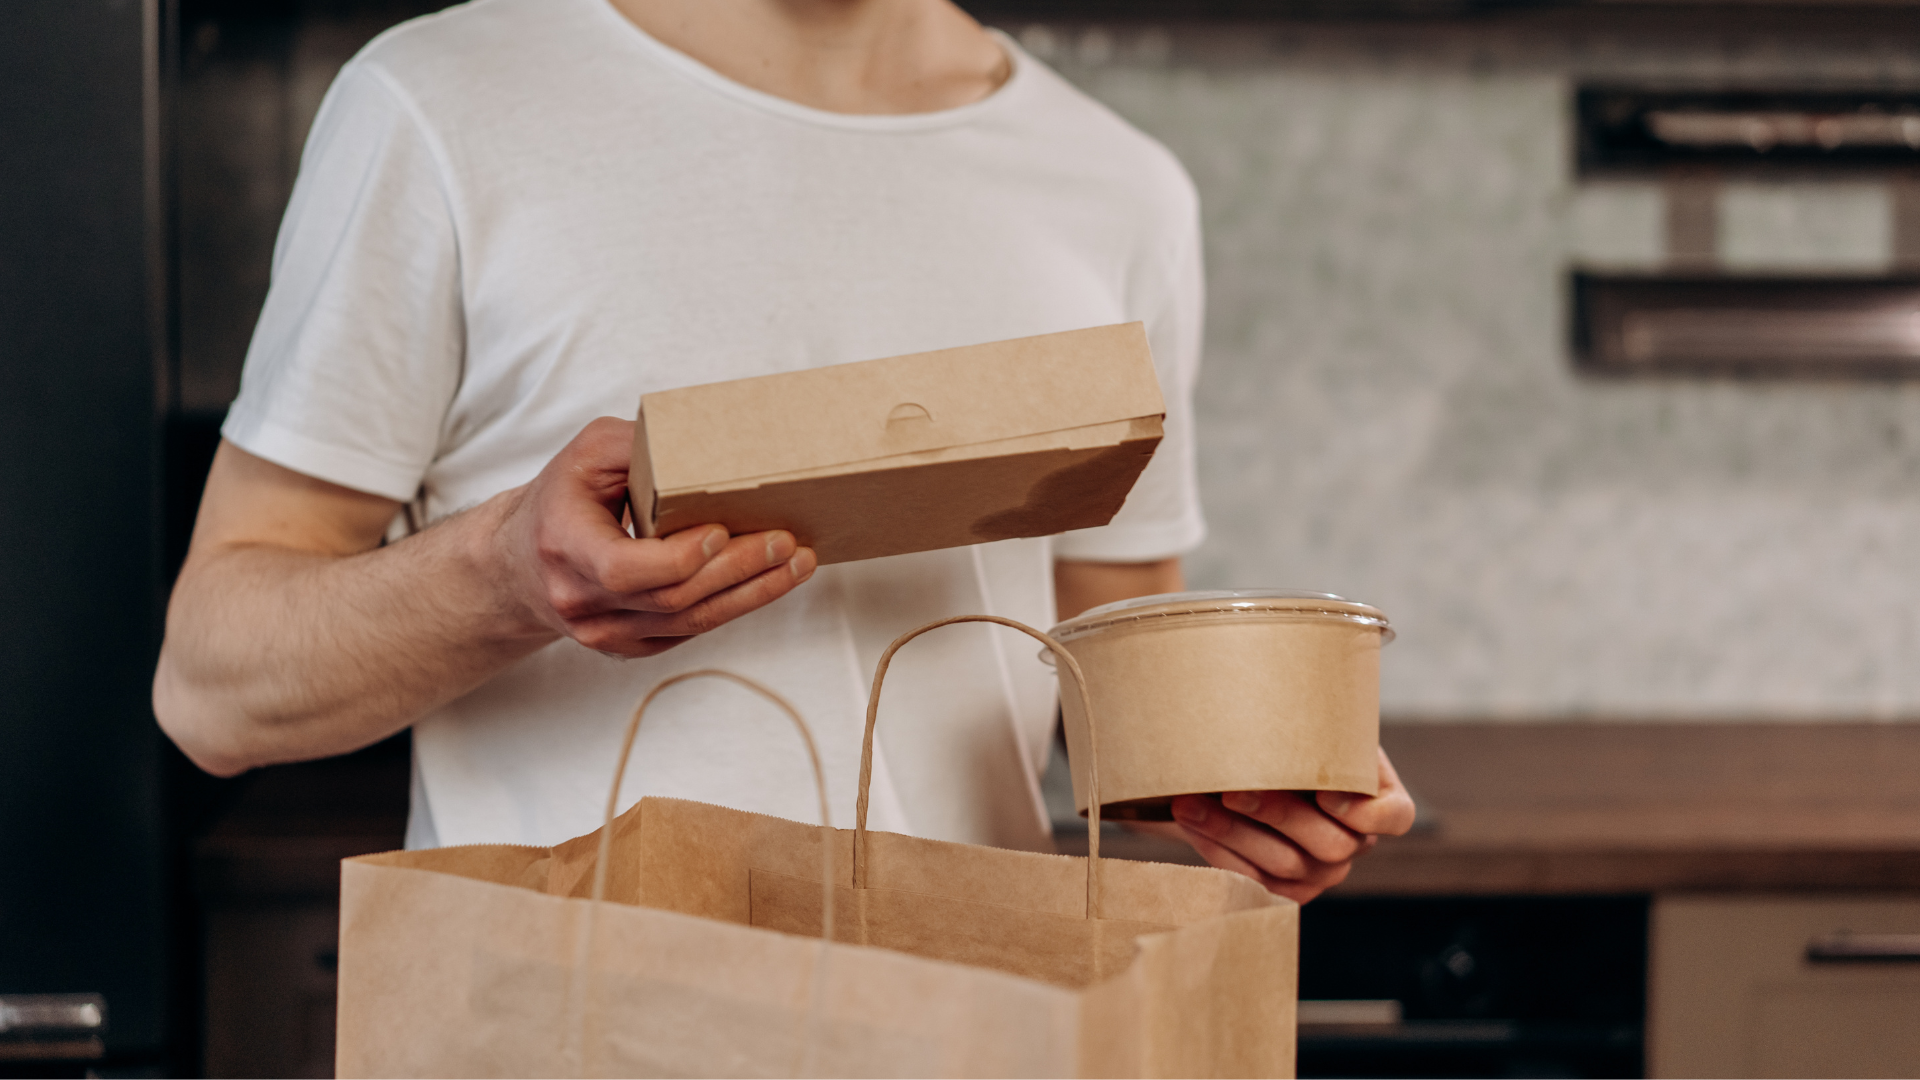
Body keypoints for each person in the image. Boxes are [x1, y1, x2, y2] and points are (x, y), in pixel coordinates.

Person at [152, 0, 1412, 903]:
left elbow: (1118, 624)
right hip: (577, 1028)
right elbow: (211, 691)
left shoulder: (1118, 183)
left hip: (987, 1028)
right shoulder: (441, 104)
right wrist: (502, 573)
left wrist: (1257, 775)